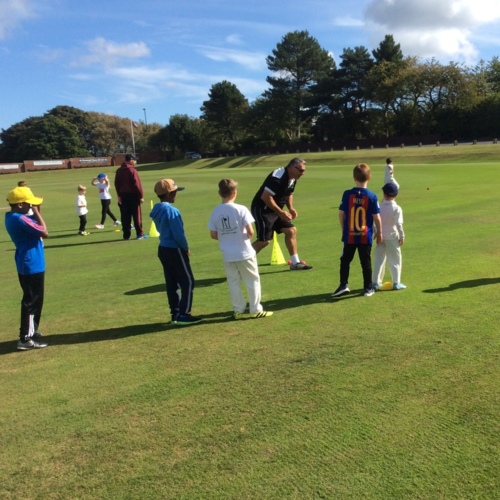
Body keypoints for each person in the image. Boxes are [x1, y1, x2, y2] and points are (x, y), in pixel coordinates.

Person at [209, 179, 273, 319]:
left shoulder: (215, 211)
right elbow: (250, 232)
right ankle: (255, 309)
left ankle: (238, 309)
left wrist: (226, 238)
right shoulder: (241, 209)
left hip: (227, 254)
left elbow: (213, 234)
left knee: (233, 282)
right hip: (244, 252)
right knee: (252, 280)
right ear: (235, 193)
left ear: (219, 193)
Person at [150, 178, 202, 325]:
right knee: (188, 282)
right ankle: (183, 314)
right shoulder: (172, 211)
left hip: (163, 248)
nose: (176, 195)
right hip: (174, 249)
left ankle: (175, 313)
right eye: (174, 192)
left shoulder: (157, 209)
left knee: (172, 283)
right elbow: (178, 234)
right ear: (168, 194)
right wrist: (186, 248)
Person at [5, 186, 49, 350]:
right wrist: (37, 211)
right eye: (29, 204)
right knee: (31, 301)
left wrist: (36, 210)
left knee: (37, 299)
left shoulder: (14, 216)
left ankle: (32, 330)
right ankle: (25, 338)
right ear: (20, 204)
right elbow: (44, 232)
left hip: (31, 262)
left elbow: (35, 225)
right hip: (31, 264)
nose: (31, 206)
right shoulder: (20, 219)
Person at [250, 157, 312, 270]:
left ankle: (295, 263)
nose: (302, 173)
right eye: (301, 170)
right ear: (292, 167)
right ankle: (239, 261)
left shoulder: (293, 177)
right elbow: (266, 197)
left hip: (276, 210)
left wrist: (291, 208)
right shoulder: (277, 177)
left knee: (291, 230)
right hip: (263, 209)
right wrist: (281, 212)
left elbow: (289, 193)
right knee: (264, 241)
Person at [332, 163, 382, 298]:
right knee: (365, 262)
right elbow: (377, 217)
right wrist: (380, 233)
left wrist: (344, 229)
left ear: (354, 177)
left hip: (350, 235)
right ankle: (368, 288)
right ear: (369, 177)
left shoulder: (347, 194)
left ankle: (343, 284)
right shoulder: (372, 196)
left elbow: (341, 214)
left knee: (345, 260)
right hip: (365, 235)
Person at [372, 182, 406, 290]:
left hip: (380, 236)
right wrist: (402, 237)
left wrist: (376, 232)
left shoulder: (379, 206)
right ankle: (396, 282)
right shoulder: (397, 208)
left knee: (379, 259)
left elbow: (374, 221)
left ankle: (375, 282)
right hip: (392, 236)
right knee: (395, 259)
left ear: (384, 194)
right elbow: (399, 224)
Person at [114, 154, 147, 240]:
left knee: (125, 216)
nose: (135, 162)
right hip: (133, 196)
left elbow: (117, 184)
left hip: (123, 195)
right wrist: (141, 196)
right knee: (137, 215)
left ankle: (126, 235)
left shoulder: (119, 170)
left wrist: (119, 195)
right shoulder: (132, 170)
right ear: (131, 160)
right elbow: (137, 185)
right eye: (135, 160)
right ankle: (140, 234)